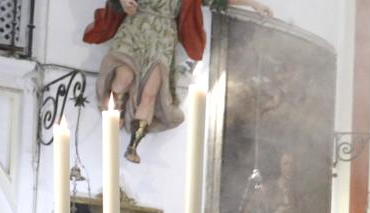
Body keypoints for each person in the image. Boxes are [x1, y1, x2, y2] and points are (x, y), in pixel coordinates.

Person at [83, 0, 272, 162]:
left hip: (164, 35)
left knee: (151, 92)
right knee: (124, 76)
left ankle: (133, 145)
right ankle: (113, 114)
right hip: (137, 25)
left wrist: (254, 4)